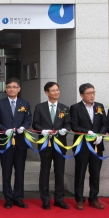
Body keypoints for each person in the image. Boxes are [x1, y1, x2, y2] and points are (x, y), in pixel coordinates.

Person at [31, 81, 71, 210]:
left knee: (59, 171)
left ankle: (59, 199)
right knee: (45, 171)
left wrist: (65, 130)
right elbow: (35, 124)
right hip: (45, 143)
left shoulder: (64, 108)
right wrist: (42, 130)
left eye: (57, 90)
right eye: (53, 90)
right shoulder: (40, 107)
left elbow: (68, 124)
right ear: (47, 92)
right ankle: (45, 199)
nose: (56, 92)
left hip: (60, 143)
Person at [0, 77, 32, 209]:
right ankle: (8, 197)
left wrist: (24, 127)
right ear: (6, 89)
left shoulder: (25, 103)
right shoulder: (0, 103)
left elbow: (28, 119)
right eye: (9, 87)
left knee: (20, 171)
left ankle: (19, 197)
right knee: (6, 171)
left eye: (14, 87)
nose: (12, 89)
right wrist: (5, 130)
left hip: (21, 142)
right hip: (6, 141)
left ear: (19, 89)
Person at [70, 83, 108, 210]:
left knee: (95, 172)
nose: (92, 95)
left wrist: (100, 134)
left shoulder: (99, 106)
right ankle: (79, 199)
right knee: (80, 172)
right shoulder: (75, 108)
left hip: (97, 145)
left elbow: (104, 123)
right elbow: (74, 126)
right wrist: (88, 132)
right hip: (82, 145)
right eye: (89, 93)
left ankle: (93, 198)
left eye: (93, 92)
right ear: (82, 95)